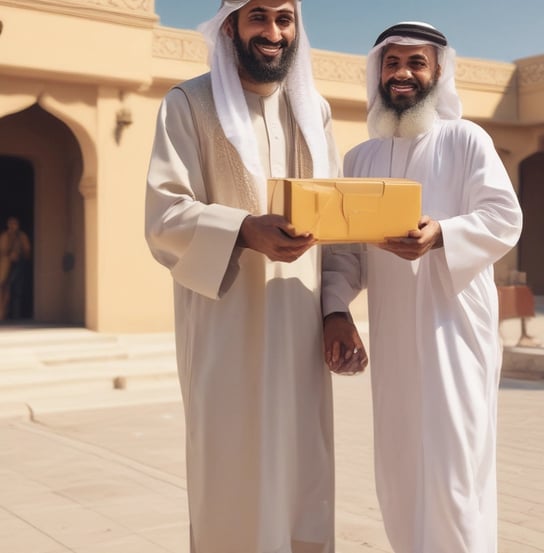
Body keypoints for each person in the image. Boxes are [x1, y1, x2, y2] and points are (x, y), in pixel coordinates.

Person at [144, 1, 340, 552]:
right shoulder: (187, 103)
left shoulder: (314, 111)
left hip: (300, 333)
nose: (273, 32)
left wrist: (337, 311)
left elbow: (338, 215)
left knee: (304, 474)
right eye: (258, 17)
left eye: (284, 18)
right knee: (232, 471)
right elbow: (163, 217)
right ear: (230, 26)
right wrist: (245, 229)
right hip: (227, 328)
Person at [322, 22, 523, 553]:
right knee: (399, 467)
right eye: (392, 64)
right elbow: (344, 253)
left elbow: (505, 218)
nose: (402, 73)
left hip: (455, 333)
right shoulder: (359, 160)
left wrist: (443, 235)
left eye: (416, 63)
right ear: (378, 74)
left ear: (437, 72)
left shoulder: (465, 139)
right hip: (393, 341)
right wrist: (335, 311)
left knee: (454, 472)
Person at [0, 216, 32, 321]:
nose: (13, 226)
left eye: (15, 224)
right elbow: (3, 250)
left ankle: (15, 315)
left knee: (16, 290)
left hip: (18, 266)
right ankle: (3, 314)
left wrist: (19, 255)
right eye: (11, 223)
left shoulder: (22, 236)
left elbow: (27, 251)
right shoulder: (4, 236)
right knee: (4, 288)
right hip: (5, 267)